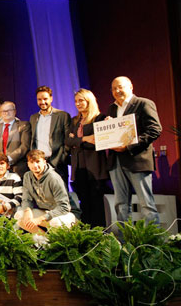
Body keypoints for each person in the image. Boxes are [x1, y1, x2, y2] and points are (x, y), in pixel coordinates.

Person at [106, 76, 162, 226]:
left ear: (131, 87)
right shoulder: (112, 109)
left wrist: (129, 146)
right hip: (116, 162)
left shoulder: (143, 104)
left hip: (137, 160)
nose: (117, 91)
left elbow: (155, 130)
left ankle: (151, 244)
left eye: (120, 87)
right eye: (113, 88)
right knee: (121, 205)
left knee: (146, 205)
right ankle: (124, 243)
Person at [66, 89, 109, 227]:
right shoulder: (74, 121)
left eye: (81, 100)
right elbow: (68, 142)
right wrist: (85, 138)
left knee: (96, 205)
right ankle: (87, 237)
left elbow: (98, 142)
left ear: (89, 101)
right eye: (76, 101)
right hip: (78, 168)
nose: (78, 104)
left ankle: (99, 236)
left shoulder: (100, 118)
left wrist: (77, 140)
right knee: (84, 204)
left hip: (95, 168)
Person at [15, 150, 76, 233]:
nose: (35, 165)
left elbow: (64, 207)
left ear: (44, 162)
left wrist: (40, 219)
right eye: (32, 162)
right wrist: (27, 211)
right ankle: (44, 241)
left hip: (65, 214)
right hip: (46, 211)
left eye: (37, 161)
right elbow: (26, 199)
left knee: (55, 222)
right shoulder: (27, 176)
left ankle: (57, 243)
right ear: (28, 164)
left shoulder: (54, 178)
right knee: (19, 216)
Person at [29, 86, 71, 189]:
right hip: (39, 164)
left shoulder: (62, 115)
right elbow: (33, 140)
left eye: (45, 99)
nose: (42, 102)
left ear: (51, 98)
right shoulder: (34, 118)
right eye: (39, 99)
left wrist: (62, 158)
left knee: (62, 195)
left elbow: (68, 140)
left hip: (57, 162)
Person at [0, 101, 31, 177]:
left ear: (15, 111)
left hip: (18, 167)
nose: (6, 113)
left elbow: (24, 146)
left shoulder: (24, 125)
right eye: (3, 111)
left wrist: (8, 159)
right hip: (0, 168)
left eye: (9, 110)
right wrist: (0, 162)